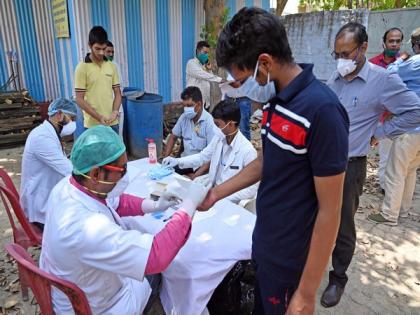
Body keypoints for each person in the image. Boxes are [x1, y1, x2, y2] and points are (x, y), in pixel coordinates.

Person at [200, 8, 350, 315]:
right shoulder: (275, 102)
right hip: (265, 240)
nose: (239, 89)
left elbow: (330, 210)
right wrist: (216, 193)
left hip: (291, 256)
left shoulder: (323, 112)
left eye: (240, 80)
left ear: (265, 63)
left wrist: (307, 293)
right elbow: (265, 161)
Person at [40, 125, 209, 314]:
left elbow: (117, 202)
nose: (125, 175)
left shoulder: (69, 186)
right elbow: (156, 256)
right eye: (121, 170)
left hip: (80, 286)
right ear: (96, 173)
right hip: (99, 306)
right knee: (161, 271)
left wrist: (154, 203)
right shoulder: (85, 227)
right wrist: (189, 205)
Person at [322, 22, 420, 308]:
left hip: (349, 166)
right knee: (314, 217)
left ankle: (338, 278)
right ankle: (308, 266)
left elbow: (415, 111)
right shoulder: (337, 75)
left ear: (363, 48)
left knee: (343, 226)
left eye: (346, 53)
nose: (341, 60)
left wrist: (380, 132)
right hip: (320, 162)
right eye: (336, 54)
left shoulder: (383, 80)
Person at [368, 27, 420, 226]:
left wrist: (401, 59)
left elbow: (390, 72)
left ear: (415, 45)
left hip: (409, 127)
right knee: (410, 170)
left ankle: (390, 214)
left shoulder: (413, 62)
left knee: (395, 171)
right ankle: (404, 211)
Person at [163, 99, 258, 204]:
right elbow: (202, 157)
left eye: (218, 125)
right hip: (213, 193)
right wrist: (177, 161)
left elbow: (251, 190)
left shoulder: (247, 151)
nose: (215, 129)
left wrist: (220, 196)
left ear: (231, 124)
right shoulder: (219, 139)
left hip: (230, 200)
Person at [20, 98, 77, 230]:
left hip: (46, 194)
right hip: (40, 205)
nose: (72, 123)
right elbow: (68, 170)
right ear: (59, 114)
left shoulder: (49, 133)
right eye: (71, 118)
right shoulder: (42, 137)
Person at [369, 27, 404, 192]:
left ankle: (394, 191)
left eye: (398, 41)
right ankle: (385, 189)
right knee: (385, 156)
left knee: (399, 158)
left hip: (401, 118)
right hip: (381, 118)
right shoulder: (372, 64)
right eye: (391, 41)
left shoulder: (406, 64)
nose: (395, 44)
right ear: (384, 43)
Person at [75, 26, 122, 133]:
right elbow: (79, 99)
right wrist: (98, 117)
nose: (101, 53)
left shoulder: (112, 66)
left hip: (112, 122)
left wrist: (115, 111)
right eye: (97, 48)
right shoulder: (82, 68)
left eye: (103, 48)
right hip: (92, 125)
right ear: (90, 45)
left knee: (115, 150)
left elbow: (118, 93)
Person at [163, 86, 215, 176]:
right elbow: (173, 137)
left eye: (189, 106)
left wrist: (195, 176)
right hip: (184, 162)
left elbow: (212, 156)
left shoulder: (210, 123)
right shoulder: (184, 118)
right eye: (184, 106)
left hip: (201, 167)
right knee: (165, 176)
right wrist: (166, 159)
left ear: (199, 104)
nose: (186, 109)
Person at [186, 41, 223, 110]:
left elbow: (210, 78)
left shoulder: (203, 66)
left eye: (207, 53)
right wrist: (220, 79)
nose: (206, 55)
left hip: (204, 102)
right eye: (205, 52)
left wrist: (209, 69)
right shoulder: (191, 63)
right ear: (198, 51)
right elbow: (203, 75)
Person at [220, 73, 253, 140]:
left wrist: (239, 83)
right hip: (229, 99)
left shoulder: (247, 68)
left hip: (243, 100)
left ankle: (245, 148)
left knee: (243, 127)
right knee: (229, 125)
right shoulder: (228, 69)